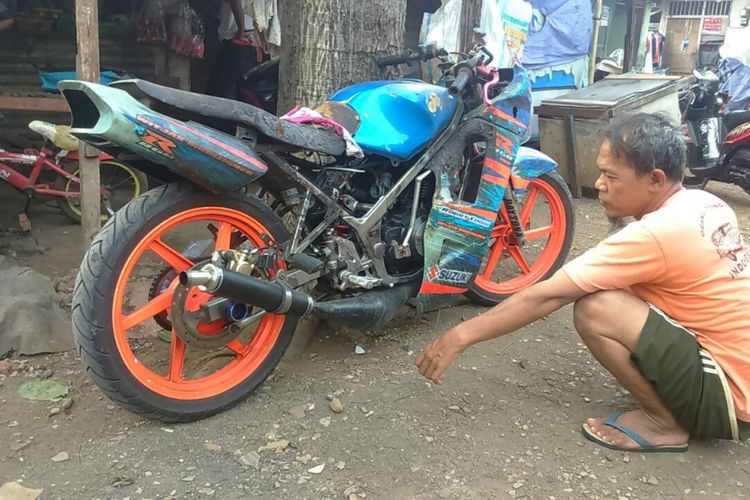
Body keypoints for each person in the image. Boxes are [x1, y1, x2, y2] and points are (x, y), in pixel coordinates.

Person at [416, 112, 750, 452]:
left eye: (610, 175)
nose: (600, 184)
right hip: (740, 371)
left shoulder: (656, 233)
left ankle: (663, 423)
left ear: (655, 179)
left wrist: (460, 335)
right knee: (613, 289)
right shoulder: (704, 202)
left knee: (596, 308)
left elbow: (547, 297)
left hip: (731, 396)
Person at [206, 0, 259, 98]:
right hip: (252, 39)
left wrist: (241, 32)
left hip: (235, 38)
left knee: (219, 92)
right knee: (241, 90)